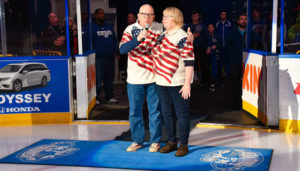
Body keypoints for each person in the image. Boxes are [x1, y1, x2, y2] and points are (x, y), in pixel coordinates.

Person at [119, 4, 163, 152]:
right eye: (144, 14)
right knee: (135, 112)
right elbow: (122, 49)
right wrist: (138, 38)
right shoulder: (130, 30)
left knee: (155, 111)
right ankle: (138, 140)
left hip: (154, 78)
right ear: (138, 15)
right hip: (135, 79)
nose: (147, 17)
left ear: (154, 17)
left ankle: (155, 141)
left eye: (150, 15)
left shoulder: (159, 28)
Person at [152, 7, 194, 157]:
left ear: (176, 18)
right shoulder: (161, 35)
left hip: (178, 82)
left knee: (181, 114)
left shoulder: (182, 36)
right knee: (166, 113)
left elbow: (189, 62)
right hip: (162, 82)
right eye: (163, 16)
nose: (163, 19)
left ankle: (183, 145)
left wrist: (187, 83)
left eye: (167, 17)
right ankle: (171, 141)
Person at [92, 8, 118, 105]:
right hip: (98, 58)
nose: (102, 15)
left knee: (109, 79)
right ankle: (97, 98)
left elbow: (114, 39)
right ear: (95, 15)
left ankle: (109, 97)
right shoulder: (92, 27)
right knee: (98, 80)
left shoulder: (108, 26)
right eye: (100, 14)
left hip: (110, 57)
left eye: (103, 13)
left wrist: (115, 51)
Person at [225, 13, 247, 109]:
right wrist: (227, 64)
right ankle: (235, 104)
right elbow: (227, 49)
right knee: (235, 84)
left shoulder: (250, 32)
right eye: (241, 19)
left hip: (248, 62)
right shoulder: (232, 33)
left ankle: (245, 103)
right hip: (235, 62)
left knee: (247, 84)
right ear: (238, 21)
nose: (243, 21)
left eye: (245, 19)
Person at [185, 10, 208, 85]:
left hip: (201, 47)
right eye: (194, 16)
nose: (195, 17)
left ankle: (204, 80)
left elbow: (207, 37)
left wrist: (209, 47)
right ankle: (193, 78)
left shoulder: (203, 26)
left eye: (197, 16)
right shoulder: (189, 26)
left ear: (199, 17)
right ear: (192, 17)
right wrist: (192, 36)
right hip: (192, 48)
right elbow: (184, 37)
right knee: (192, 63)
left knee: (203, 63)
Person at [216, 10, 232, 78]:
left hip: (228, 46)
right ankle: (221, 74)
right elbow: (216, 35)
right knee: (221, 61)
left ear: (226, 15)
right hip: (220, 47)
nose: (223, 15)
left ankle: (228, 74)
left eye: (225, 14)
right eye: (222, 14)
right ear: (220, 15)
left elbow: (231, 34)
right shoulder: (217, 24)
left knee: (228, 61)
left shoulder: (229, 23)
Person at [206, 24, 222, 91]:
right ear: (207, 28)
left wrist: (216, 46)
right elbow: (204, 43)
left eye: (212, 27)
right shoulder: (206, 35)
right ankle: (208, 81)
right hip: (206, 54)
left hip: (215, 54)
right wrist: (208, 48)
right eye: (209, 27)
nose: (211, 29)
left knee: (215, 68)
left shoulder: (217, 35)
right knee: (207, 68)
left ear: (214, 28)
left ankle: (215, 82)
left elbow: (221, 44)